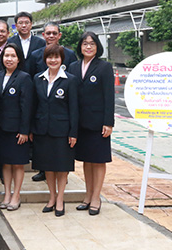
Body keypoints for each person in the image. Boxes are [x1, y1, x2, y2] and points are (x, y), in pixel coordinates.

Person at [68, 32, 114, 216]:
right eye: (85, 43)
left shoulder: (104, 67)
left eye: (92, 44)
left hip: (98, 123)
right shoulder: (73, 66)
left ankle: (96, 197)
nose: (88, 47)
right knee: (86, 160)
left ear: (97, 47)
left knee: (98, 160)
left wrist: (108, 122)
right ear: (80, 46)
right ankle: (87, 195)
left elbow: (109, 96)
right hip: (80, 123)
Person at [31, 44, 79, 217]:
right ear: (45, 59)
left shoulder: (70, 80)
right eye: (50, 57)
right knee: (48, 167)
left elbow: (74, 108)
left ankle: (60, 199)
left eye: (56, 57)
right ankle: (51, 197)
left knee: (61, 167)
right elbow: (34, 105)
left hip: (62, 131)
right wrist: (32, 128)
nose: (53, 60)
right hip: (42, 130)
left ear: (62, 59)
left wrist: (73, 132)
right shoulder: (38, 78)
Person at [0, 44, 32, 211]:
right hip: (0, 128)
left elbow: (27, 106)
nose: (9, 59)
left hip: (17, 130)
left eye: (12, 56)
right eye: (6, 55)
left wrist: (24, 130)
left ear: (18, 59)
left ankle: (16, 195)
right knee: (5, 163)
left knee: (17, 164)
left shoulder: (24, 78)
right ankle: (7, 194)